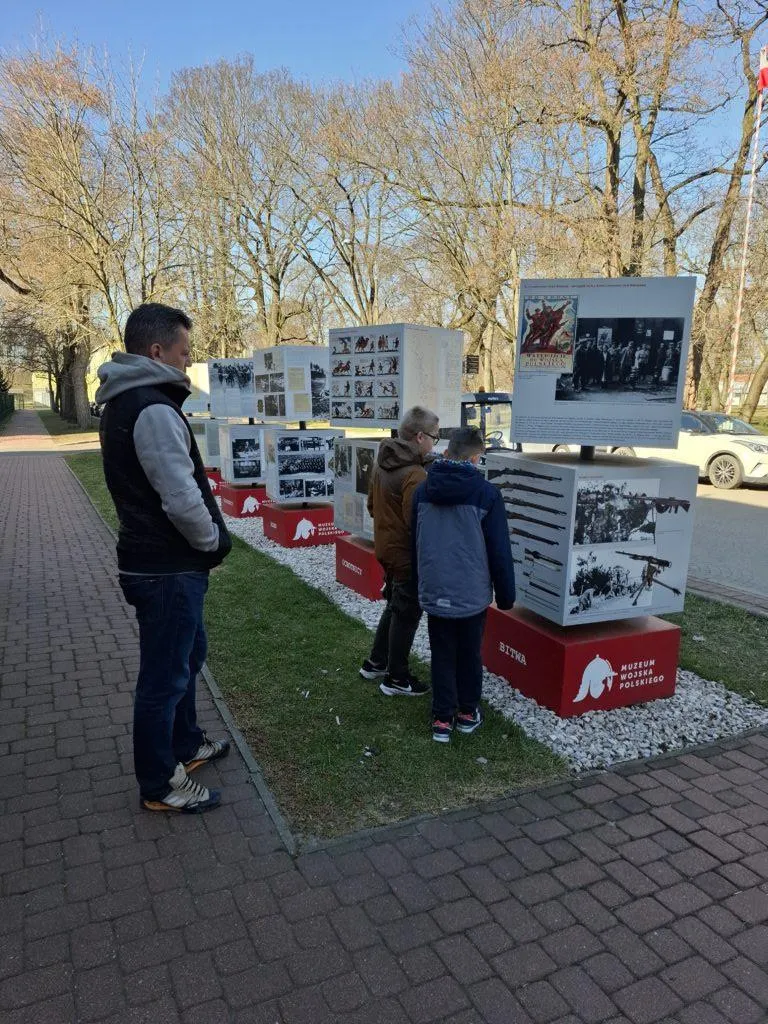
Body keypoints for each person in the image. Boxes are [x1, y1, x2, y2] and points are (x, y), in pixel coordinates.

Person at [96, 303, 232, 813]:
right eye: (184, 352)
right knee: (165, 677)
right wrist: (213, 542)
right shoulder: (150, 407)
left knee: (188, 657)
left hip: (161, 564)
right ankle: (160, 782)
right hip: (166, 568)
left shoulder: (132, 402)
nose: (188, 362)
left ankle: (185, 743)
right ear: (156, 352)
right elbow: (179, 497)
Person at [412, 427, 515, 743]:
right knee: (470, 652)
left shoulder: (423, 491)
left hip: (436, 587)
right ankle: (467, 712)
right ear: (475, 457)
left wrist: (419, 580)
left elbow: (412, 541)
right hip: (471, 592)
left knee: (442, 651)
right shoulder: (487, 494)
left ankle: (442, 718)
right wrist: (507, 594)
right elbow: (499, 549)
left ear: (447, 453)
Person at [359, 406, 439, 696]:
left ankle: (376, 662)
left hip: (386, 549)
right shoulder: (415, 474)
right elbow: (417, 522)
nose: (434, 444)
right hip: (406, 556)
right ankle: (396, 678)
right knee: (406, 614)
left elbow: (371, 505)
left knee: (394, 606)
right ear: (419, 437)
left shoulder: (383, 461)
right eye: (434, 437)